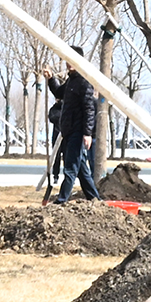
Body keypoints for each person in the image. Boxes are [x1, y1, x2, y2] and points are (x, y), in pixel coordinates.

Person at [45, 55, 100, 203]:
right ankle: (95, 198)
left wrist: (87, 133)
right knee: (82, 170)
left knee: (70, 168)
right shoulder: (71, 81)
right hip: (68, 131)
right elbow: (58, 92)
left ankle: (61, 200)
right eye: (68, 61)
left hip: (78, 131)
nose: (69, 64)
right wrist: (51, 79)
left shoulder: (84, 83)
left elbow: (89, 110)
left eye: (73, 61)